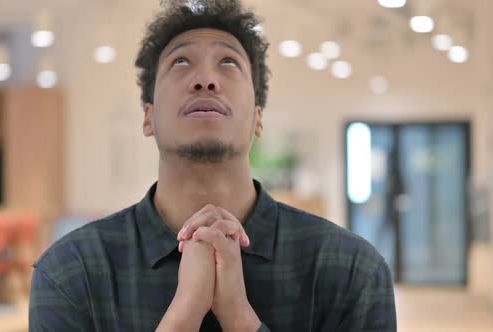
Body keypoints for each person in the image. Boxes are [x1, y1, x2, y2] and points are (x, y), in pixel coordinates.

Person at [28, 0, 397, 331]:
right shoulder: (71, 273)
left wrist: (240, 318)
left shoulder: (350, 271)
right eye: (181, 62)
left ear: (257, 118)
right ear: (148, 117)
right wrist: (184, 315)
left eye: (228, 62)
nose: (206, 80)